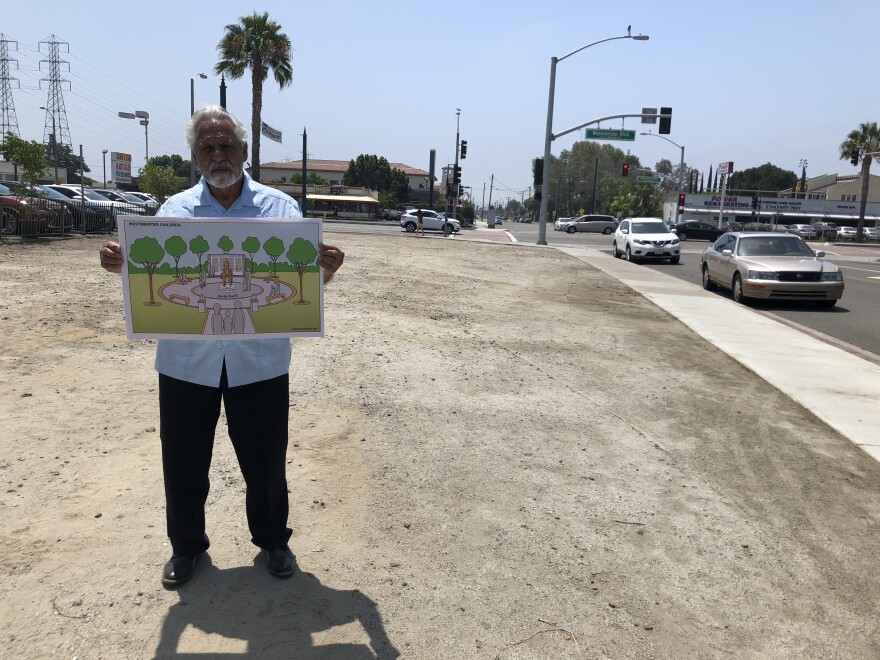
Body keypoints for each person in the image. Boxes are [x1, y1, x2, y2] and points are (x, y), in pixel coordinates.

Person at [98, 106, 345, 587]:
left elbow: (299, 284)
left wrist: (326, 271)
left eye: (226, 145)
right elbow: (156, 280)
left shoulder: (280, 210)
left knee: (267, 461)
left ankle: (273, 540)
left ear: (245, 152)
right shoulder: (173, 213)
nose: (218, 154)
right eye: (207, 147)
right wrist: (121, 267)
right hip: (187, 363)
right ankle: (187, 548)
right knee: (184, 461)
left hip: (261, 361)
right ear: (195, 155)